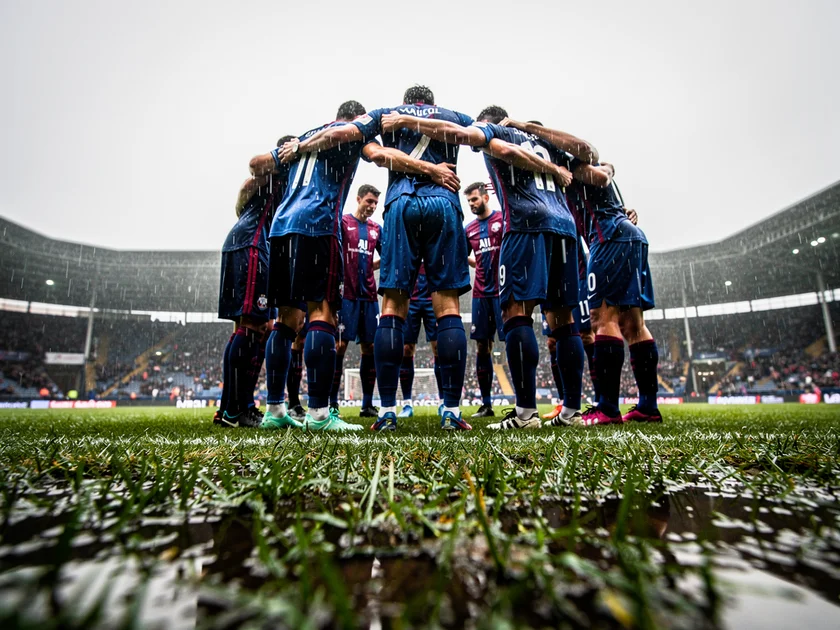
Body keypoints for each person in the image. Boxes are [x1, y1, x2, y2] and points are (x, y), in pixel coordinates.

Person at [253, 99, 461, 432]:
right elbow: (380, 156)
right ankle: (320, 414)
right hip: (317, 224)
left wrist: (288, 152)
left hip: (281, 228)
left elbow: (256, 164)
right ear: (356, 119)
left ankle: (275, 409)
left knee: (286, 320)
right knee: (322, 313)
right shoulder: (353, 133)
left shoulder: (303, 137)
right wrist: (432, 170)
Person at [381, 106, 594, 429]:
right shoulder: (542, 140)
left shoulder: (498, 133)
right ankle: (572, 412)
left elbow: (466, 136)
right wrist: (547, 156)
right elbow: (588, 152)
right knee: (564, 320)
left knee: (515, 312)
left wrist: (409, 121)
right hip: (565, 227)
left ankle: (525, 414)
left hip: (527, 224)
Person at [215, 134, 295, 429]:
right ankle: (237, 411)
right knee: (255, 326)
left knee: (249, 326)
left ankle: (232, 408)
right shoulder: (276, 170)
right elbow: (249, 181)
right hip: (250, 244)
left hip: (249, 243)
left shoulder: (287, 181)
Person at [332, 184, 382, 419]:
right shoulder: (343, 223)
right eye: (369, 201)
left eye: (375, 203)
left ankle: (367, 404)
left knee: (370, 347)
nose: (371, 206)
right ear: (358, 199)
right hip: (347, 296)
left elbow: (387, 254)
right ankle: (332, 403)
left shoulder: (376, 229)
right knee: (339, 347)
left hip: (369, 296)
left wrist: (371, 266)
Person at [463, 182, 504, 418]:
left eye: (475, 199)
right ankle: (486, 404)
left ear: (486, 198)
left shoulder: (502, 220)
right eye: (469, 201)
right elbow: (464, 255)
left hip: (503, 291)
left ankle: (522, 401)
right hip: (480, 293)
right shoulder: (469, 229)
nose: (472, 204)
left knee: (513, 340)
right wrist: (478, 263)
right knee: (482, 346)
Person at [398, 263, 441, 417]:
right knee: (406, 349)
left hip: (432, 296)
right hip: (412, 297)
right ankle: (407, 404)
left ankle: (443, 403)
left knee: (439, 348)